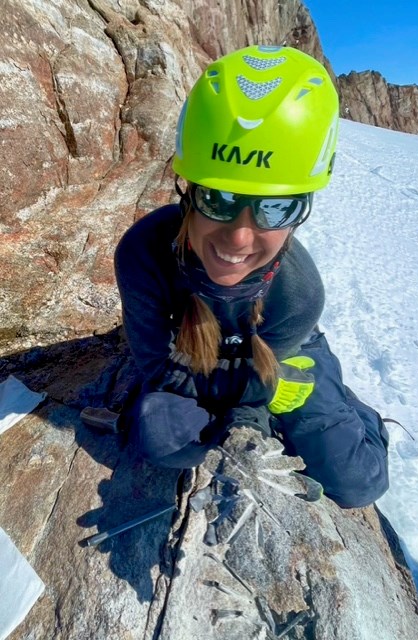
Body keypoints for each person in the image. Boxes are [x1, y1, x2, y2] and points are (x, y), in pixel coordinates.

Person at [114, 45, 389, 508]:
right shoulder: (144, 254)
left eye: (275, 207)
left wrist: (250, 418)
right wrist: (257, 391)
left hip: (284, 355)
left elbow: (240, 382)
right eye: (218, 198)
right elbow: (158, 369)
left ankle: (346, 401)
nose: (240, 238)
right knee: (163, 437)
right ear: (188, 191)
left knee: (358, 481)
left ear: (300, 214)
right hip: (236, 365)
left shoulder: (298, 293)